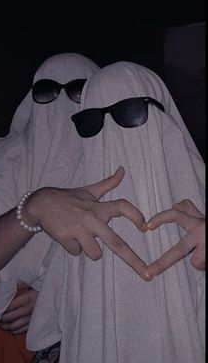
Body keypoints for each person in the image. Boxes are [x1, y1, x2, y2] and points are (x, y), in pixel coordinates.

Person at [24, 61, 205, 363]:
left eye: (130, 112)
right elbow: (49, 321)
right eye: (90, 121)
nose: (110, 133)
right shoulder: (74, 207)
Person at [0, 53, 151, 362]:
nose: (60, 103)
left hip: (89, 334)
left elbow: (136, 267)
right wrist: (32, 209)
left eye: (77, 91)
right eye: (47, 91)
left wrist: (53, 299)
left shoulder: (116, 166)